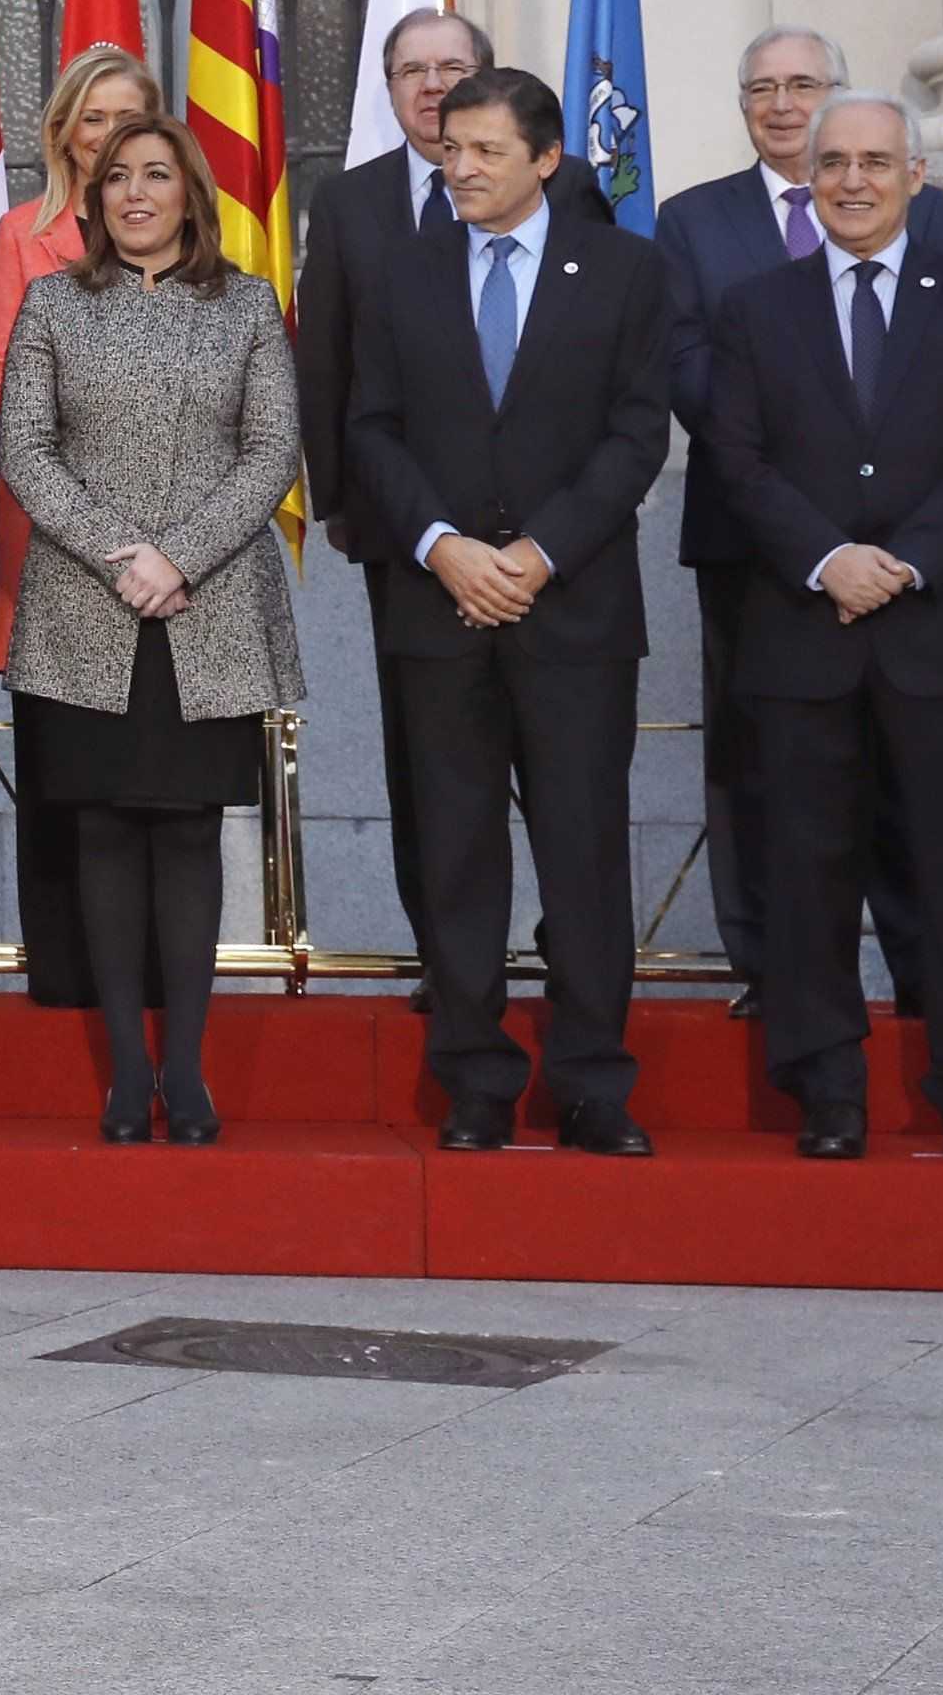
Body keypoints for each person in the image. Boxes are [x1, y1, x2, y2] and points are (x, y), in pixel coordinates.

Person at [700, 93, 943, 1167]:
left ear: (916, 175)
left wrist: (902, 563)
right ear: (809, 179)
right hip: (803, 633)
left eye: (876, 161)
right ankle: (828, 1091)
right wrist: (826, 559)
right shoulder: (758, 306)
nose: (853, 179)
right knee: (806, 876)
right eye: (834, 161)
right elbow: (737, 458)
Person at [343, 70, 674, 1156]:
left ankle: (593, 1084)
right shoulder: (402, 270)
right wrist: (443, 548)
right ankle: (475, 1081)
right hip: (439, 609)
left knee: (582, 851)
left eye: (486, 150)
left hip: (570, 607)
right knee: (455, 850)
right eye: (451, 149)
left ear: (546, 159)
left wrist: (536, 551)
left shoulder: (626, 271)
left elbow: (636, 434)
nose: (463, 168)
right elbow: (371, 427)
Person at [1, 116, 303, 1145]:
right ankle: (128, 1072)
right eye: (117, 175)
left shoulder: (248, 304)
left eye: (156, 175)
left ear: (191, 192)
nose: (135, 192)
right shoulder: (52, 301)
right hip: (88, 607)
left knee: (187, 831)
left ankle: (189, 1070)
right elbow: (28, 452)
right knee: (103, 829)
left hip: (208, 604)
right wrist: (125, 555)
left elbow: (271, 450)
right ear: (94, 198)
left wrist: (180, 556)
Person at [658, 25, 943, 1015]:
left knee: (906, 758)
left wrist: (867, 506)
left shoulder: (930, 210)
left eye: (803, 85)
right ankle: (766, 963)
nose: (783, 103)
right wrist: (804, 503)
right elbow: (690, 371)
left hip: (895, 544)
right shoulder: (692, 221)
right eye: (763, 87)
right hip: (753, 534)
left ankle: (920, 965)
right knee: (756, 762)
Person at [294, 6, 512, 959]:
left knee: (551, 762)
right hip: (404, 530)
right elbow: (327, 361)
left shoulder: (566, 192)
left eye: (451, 68)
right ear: (387, 90)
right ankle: (446, 955)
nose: (431, 86)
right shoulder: (351, 203)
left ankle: (564, 945)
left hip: (541, 540)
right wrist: (339, 499)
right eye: (411, 71)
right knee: (426, 761)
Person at [0, 41, 159, 1009]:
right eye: (94, 116)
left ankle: (158, 982)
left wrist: (161, 515)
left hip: (175, 551)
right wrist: (100, 512)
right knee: (61, 771)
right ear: (67, 133)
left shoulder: (190, 236)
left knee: (155, 777)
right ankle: (66, 986)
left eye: (128, 113)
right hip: (54, 543)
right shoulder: (22, 235)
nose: (111, 132)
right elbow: (10, 382)